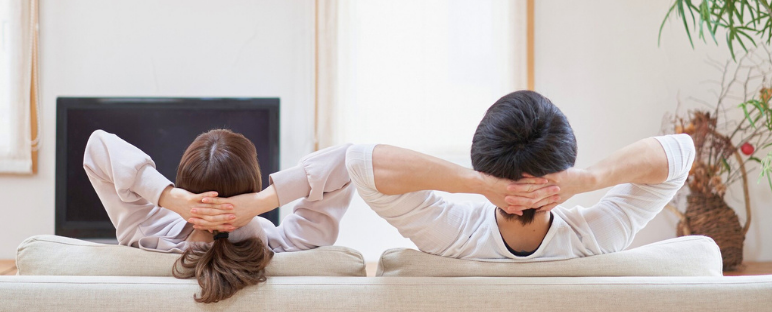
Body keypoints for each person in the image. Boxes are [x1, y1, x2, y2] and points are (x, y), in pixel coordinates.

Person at [348, 90, 695, 260]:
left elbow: (362, 163)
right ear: (565, 167)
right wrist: (587, 178)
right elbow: (681, 152)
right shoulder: (594, 240)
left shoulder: (454, 239)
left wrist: (477, 183)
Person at [82, 128, 354, 303]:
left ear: (185, 188)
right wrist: (263, 200)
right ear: (252, 185)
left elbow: (97, 146)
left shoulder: (146, 234)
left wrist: (169, 197)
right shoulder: (291, 246)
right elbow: (350, 161)